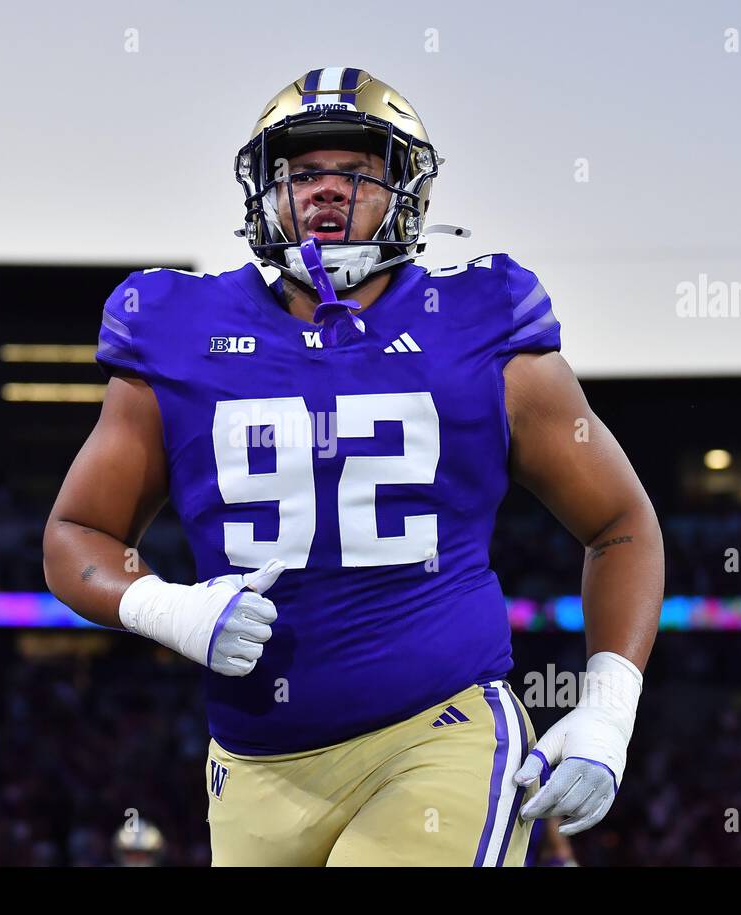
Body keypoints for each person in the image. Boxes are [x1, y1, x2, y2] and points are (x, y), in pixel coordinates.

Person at [44, 67, 663, 865]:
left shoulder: (479, 323)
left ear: (406, 189)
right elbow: (76, 534)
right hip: (251, 762)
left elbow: (619, 524)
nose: (326, 192)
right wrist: (167, 608)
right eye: (303, 173)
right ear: (266, 190)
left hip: (439, 732)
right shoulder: (176, 330)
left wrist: (609, 707)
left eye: (357, 172)